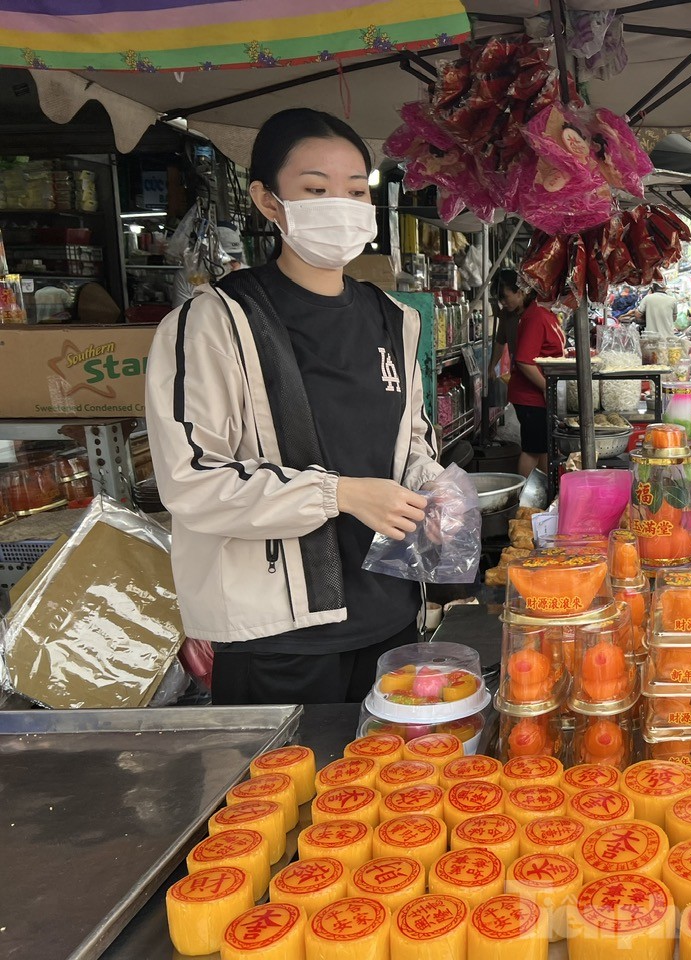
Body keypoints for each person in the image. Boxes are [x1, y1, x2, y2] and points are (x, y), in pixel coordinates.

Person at [146, 108, 443, 706]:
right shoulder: (213, 323)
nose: (341, 204)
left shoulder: (395, 318)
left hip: (389, 617)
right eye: (315, 189)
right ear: (267, 200)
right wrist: (342, 494)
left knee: (389, 791)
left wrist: (433, 495)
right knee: (284, 795)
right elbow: (190, 479)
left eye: (356, 190)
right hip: (279, 639)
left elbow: (411, 440)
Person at [502, 274, 566, 478]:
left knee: (544, 448)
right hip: (531, 397)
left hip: (539, 394)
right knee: (533, 449)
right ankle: (524, 499)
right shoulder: (536, 315)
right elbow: (524, 361)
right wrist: (546, 388)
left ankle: (546, 491)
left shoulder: (547, 313)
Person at [171, 224, 244, 306]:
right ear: (209, 257)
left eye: (235, 261)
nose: (231, 267)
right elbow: (180, 313)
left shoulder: (247, 278)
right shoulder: (188, 277)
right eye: (225, 262)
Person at [487, 268, 523, 391]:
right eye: (500, 299)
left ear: (519, 292)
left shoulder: (532, 313)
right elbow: (500, 341)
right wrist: (492, 366)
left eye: (506, 297)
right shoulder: (505, 314)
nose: (503, 302)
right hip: (518, 369)